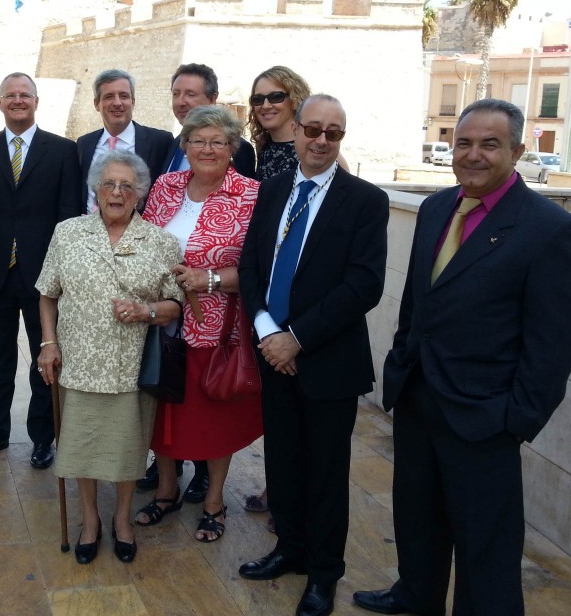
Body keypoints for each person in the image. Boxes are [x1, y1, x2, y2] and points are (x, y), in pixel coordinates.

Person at [353, 99, 571, 616]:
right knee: (417, 519)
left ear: (518, 151)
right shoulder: (438, 208)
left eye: (490, 144)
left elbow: (554, 344)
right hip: (419, 398)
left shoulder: (549, 229)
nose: (473, 155)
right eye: (464, 143)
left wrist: (514, 421)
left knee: (486, 546)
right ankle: (416, 596)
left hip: (486, 418)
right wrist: (402, 364)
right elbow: (419, 301)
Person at [237, 94, 389, 616]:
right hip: (272, 351)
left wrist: (296, 338)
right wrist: (266, 330)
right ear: (297, 131)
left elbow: (363, 285)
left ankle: (324, 575)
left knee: (325, 474)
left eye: (334, 134)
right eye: (314, 130)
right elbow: (254, 265)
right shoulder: (274, 189)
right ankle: (290, 550)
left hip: (327, 362)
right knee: (283, 463)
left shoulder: (366, 201)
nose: (322, 141)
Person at [36, 151, 183, 565]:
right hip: (78, 362)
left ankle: (121, 519)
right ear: (95, 190)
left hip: (130, 366)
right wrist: (49, 344)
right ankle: (89, 519)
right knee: (80, 445)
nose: (116, 192)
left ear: (139, 193)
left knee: (125, 450)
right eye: (108, 184)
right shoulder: (68, 233)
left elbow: (176, 306)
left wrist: (146, 312)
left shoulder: (160, 241)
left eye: (126, 186)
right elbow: (47, 294)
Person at [135, 105, 262, 543]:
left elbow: (258, 269)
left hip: (216, 326)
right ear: (184, 145)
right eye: (197, 140)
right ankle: (167, 492)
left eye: (217, 141)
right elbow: (143, 240)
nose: (207, 149)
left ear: (232, 148)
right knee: (162, 411)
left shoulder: (250, 195)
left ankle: (213, 502)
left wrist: (207, 278)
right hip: (160, 323)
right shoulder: (166, 186)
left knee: (214, 415)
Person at [0, 72, 83, 469]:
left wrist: (62, 270)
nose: (17, 100)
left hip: (43, 274)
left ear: (36, 101)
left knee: (46, 358)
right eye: (10, 95)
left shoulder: (62, 151)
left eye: (24, 94)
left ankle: (42, 438)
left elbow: (69, 215)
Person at [76, 69, 173, 212]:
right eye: (109, 96)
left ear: (133, 102)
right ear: (97, 104)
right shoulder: (84, 143)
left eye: (124, 96)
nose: (117, 103)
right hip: (89, 229)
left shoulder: (160, 142)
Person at [161, 62, 256, 178]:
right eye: (176, 94)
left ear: (212, 99)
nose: (180, 102)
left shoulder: (239, 149)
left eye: (190, 94)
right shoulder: (176, 143)